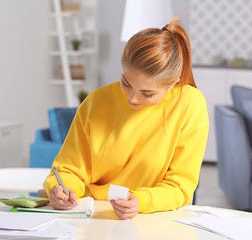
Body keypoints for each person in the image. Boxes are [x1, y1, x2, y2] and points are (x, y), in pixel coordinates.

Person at [43, 16, 209, 220]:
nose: (132, 98)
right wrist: (61, 188)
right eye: (125, 83)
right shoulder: (96, 101)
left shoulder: (190, 105)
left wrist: (141, 201)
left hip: (152, 216)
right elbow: (69, 169)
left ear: (171, 84)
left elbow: (180, 187)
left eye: (147, 93)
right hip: (88, 214)